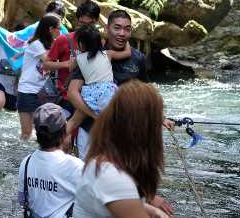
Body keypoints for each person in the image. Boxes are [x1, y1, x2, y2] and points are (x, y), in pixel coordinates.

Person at [73, 81, 173, 218]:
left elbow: (111, 201)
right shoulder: (112, 177)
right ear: (146, 129)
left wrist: (151, 209)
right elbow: (116, 191)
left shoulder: (103, 162)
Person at [67, 10, 151, 159]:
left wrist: (160, 118)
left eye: (127, 29)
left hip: (124, 134)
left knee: (122, 179)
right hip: (90, 130)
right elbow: (72, 93)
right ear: (106, 29)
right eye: (117, 28)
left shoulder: (138, 58)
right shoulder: (91, 54)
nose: (122, 33)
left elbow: (146, 94)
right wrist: (95, 115)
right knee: (88, 177)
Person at [18, 103, 83, 218]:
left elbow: (22, 200)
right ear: (64, 130)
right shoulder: (75, 166)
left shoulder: (26, 162)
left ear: (36, 132)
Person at [44, 0, 101, 112]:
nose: (86, 29)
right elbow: (46, 64)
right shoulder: (64, 39)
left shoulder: (100, 42)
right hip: (66, 99)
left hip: (92, 100)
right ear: (77, 21)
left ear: (96, 21)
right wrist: (66, 64)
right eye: (82, 24)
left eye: (90, 24)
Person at [17, 13, 62, 140]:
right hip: (27, 91)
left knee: (41, 132)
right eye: (59, 28)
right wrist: (68, 64)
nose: (61, 31)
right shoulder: (36, 44)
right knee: (26, 133)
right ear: (50, 29)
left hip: (43, 93)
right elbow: (48, 61)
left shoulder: (51, 43)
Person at [0, 24, 24, 118]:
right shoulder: (4, 42)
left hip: (12, 89)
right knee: (0, 101)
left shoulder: (27, 50)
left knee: (12, 113)